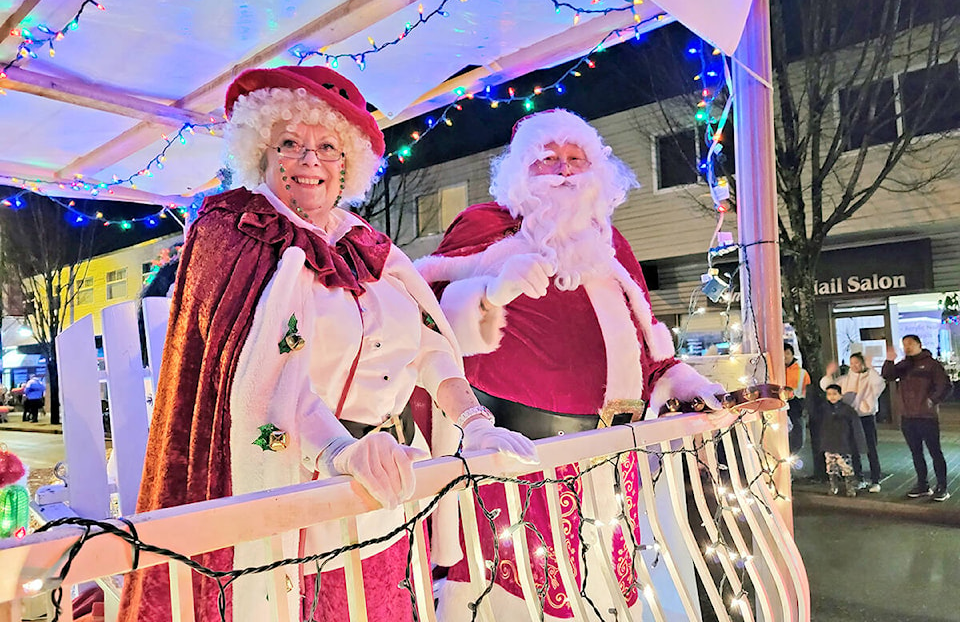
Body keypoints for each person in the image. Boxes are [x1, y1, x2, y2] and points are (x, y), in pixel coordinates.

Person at [118, 66, 537, 622]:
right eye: (289, 143)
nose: (309, 160)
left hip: (386, 490)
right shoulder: (231, 230)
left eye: (328, 147)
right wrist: (340, 451)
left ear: (349, 164)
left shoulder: (370, 246)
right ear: (261, 152)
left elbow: (429, 346)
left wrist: (474, 422)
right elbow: (255, 371)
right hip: (290, 492)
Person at [415, 109, 724, 620]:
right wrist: (491, 292)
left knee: (606, 584)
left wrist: (673, 374)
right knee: (520, 595)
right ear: (521, 170)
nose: (563, 170)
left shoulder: (611, 241)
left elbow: (644, 335)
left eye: (574, 159)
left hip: (612, 453)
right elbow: (431, 322)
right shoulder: (484, 225)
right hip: (518, 456)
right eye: (548, 159)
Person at [882, 335, 952, 501]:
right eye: (904, 344)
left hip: (926, 416)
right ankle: (922, 485)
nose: (907, 347)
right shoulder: (904, 365)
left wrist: (932, 400)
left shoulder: (931, 365)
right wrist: (889, 360)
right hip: (908, 416)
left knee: (935, 452)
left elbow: (945, 386)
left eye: (911, 344)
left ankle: (942, 486)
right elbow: (888, 375)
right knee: (916, 452)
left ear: (920, 345)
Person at [820, 353, 886, 492]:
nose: (854, 365)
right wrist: (828, 374)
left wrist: (870, 367)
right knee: (853, 448)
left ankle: (875, 480)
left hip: (866, 417)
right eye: (852, 363)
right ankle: (859, 478)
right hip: (850, 418)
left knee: (870, 448)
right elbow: (829, 387)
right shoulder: (845, 379)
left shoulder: (870, 378)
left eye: (857, 362)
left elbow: (879, 384)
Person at [816, 385, 867, 497]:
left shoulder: (847, 410)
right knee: (830, 468)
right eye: (829, 394)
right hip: (829, 444)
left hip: (843, 445)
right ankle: (833, 487)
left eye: (834, 394)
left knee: (846, 468)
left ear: (840, 395)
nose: (832, 397)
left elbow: (856, 428)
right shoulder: (823, 409)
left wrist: (859, 445)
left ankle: (850, 488)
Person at [783, 343, 811, 455]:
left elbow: (807, 392)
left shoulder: (802, 373)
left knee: (797, 434)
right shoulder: (775, 372)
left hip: (796, 407)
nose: (785, 356)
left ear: (793, 355)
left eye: (788, 353)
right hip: (781, 406)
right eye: (783, 354)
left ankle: (793, 455)